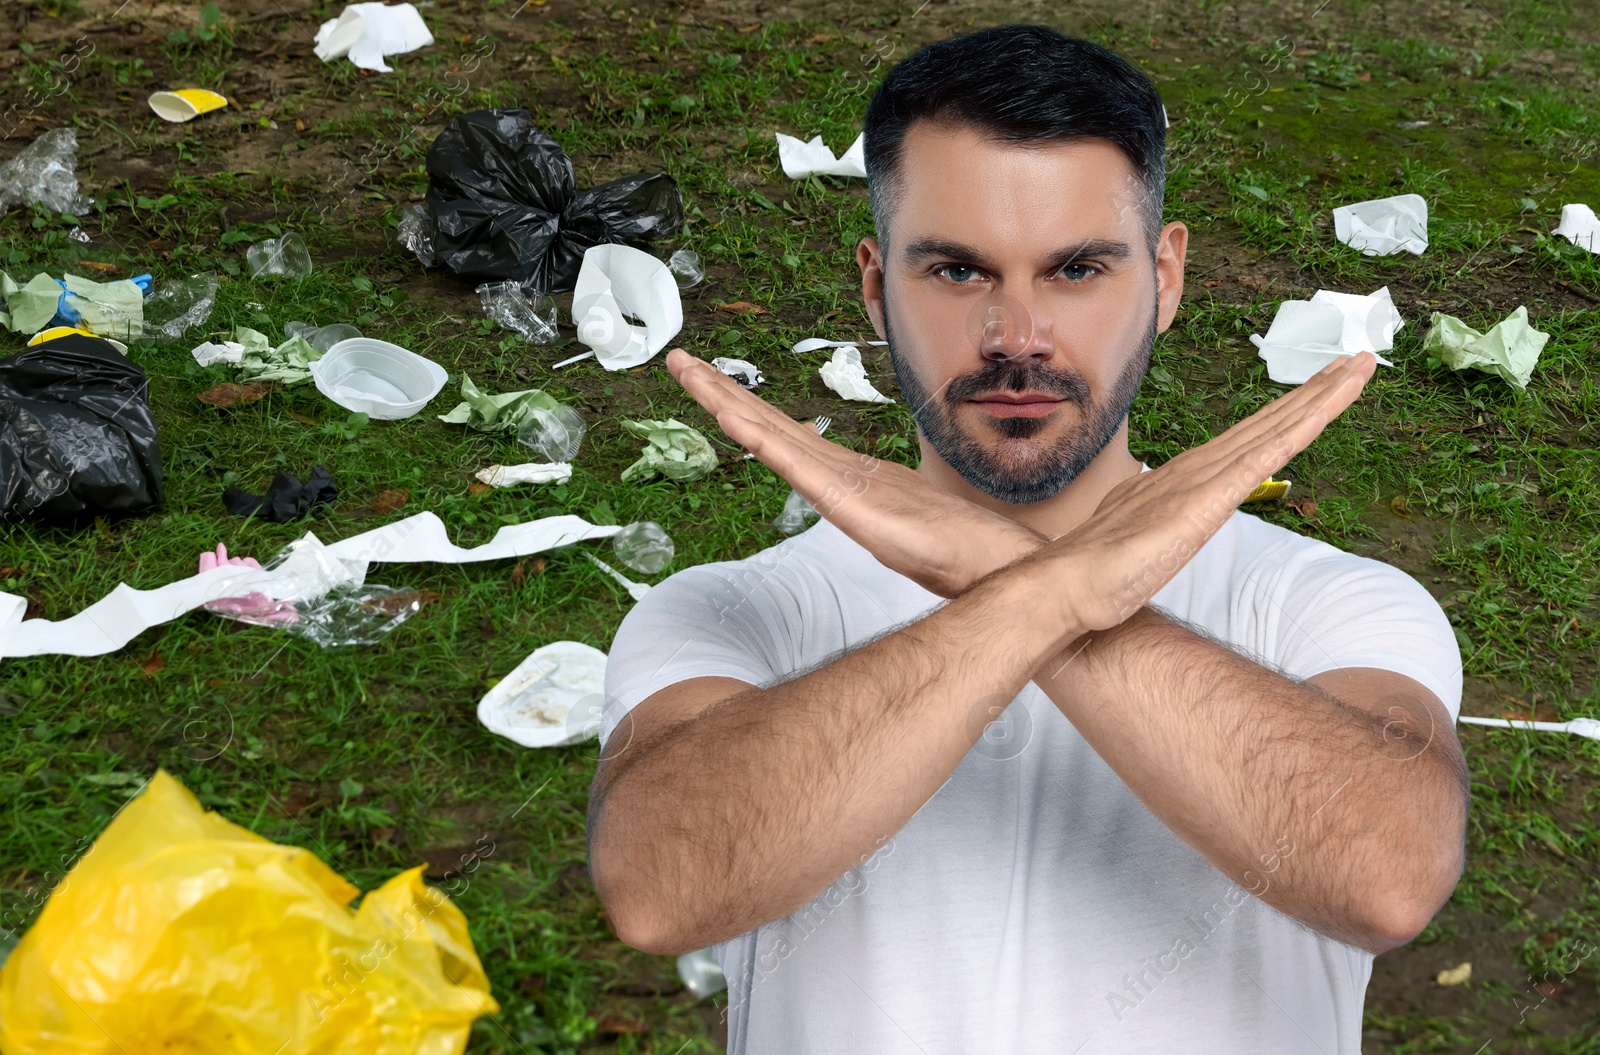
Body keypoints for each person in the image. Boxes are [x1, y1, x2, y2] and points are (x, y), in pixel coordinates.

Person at [587, 24, 1468, 1055]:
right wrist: (1054, 586)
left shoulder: (1325, 602)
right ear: (875, 287)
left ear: (1166, 276)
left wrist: (1002, 576)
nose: (1016, 336)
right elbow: (658, 888)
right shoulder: (730, 610)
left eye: (1077, 269)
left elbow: (1387, 873)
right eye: (957, 271)